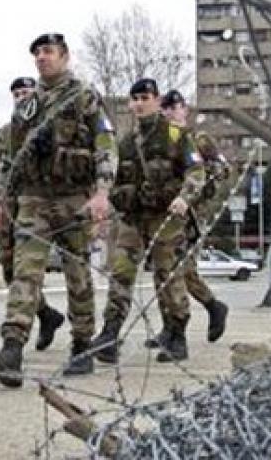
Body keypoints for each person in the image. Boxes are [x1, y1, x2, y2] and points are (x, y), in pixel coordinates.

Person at [0, 34, 116, 387]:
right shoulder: (27, 105)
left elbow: (105, 144)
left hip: (73, 198)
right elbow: (10, 159)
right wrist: (0, 201)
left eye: (48, 51)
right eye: (37, 53)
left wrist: (102, 193)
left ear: (64, 56)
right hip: (34, 199)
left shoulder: (83, 96)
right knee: (25, 272)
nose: (42, 57)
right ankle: (12, 349)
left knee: (77, 274)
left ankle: (82, 343)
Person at [91, 79, 205, 364]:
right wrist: (113, 198)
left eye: (145, 98)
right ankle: (110, 334)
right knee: (121, 273)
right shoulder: (127, 142)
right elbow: (115, 178)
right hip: (133, 219)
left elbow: (196, 171)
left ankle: (177, 334)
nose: (139, 104)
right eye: (135, 99)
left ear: (157, 100)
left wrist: (185, 197)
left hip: (166, 218)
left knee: (168, 276)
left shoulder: (176, 135)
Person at [141, 90, 229, 349]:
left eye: (175, 106)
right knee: (164, 272)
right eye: (166, 108)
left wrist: (199, 179)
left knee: (178, 271)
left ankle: (190, 320)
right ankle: (171, 326)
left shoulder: (198, 139)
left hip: (191, 217)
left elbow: (223, 169)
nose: (170, 112)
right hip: (165, 215)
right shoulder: (160, 141)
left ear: (185, 109)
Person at [0, 76, 65, 352]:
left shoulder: (50, 126)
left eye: (26, 93)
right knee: (11, 269)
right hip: (11, 204)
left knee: (26, 269)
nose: (21, 98)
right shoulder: (8, 132)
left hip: (40, 204)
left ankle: (14, 340)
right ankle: (46, 314)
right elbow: (0, 168)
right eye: (17, 94)